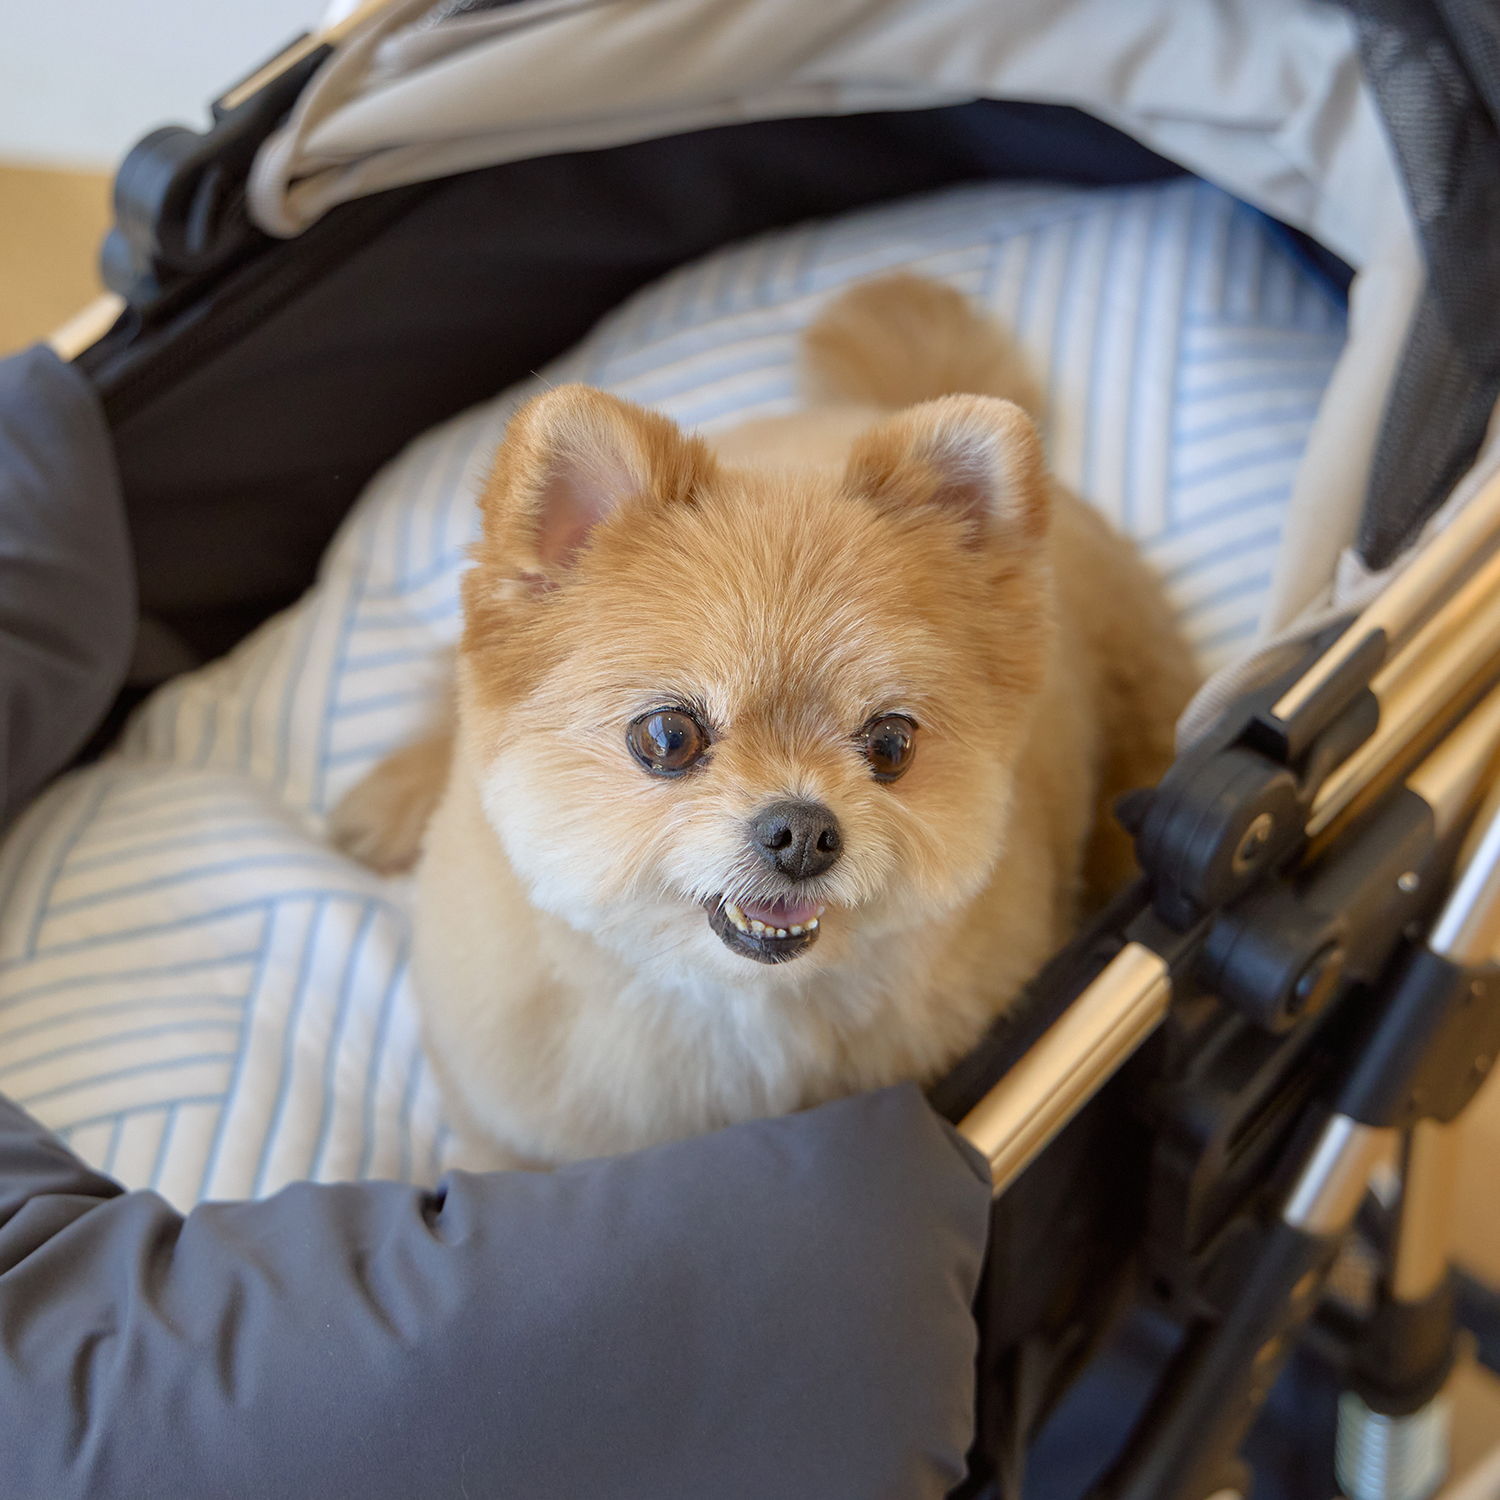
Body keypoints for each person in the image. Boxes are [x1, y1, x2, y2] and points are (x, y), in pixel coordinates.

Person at [0, 343, 988, 1499]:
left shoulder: (965, 982)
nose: (801, 824)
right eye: (672, 740)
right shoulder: (484, 995)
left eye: (884, 747)